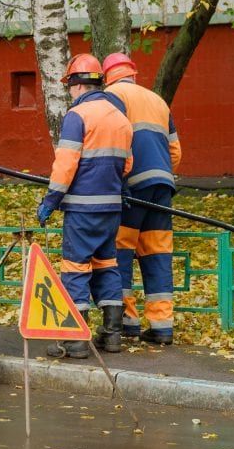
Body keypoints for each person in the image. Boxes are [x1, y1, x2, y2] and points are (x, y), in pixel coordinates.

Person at [37, 54, 133, 358]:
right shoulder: (120, 117)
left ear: (76, 85)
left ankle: (76, 341)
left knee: (75, 269)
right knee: (107, 265)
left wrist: (50, 200)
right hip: (111, 208)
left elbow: (65, 164)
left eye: (70, 87)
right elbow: (127, 164)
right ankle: (112, 335)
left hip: (81, 209)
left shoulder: (77, 116)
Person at [102, 53, 182, 345]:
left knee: (120, 251)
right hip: (162, 184)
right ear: (133, 74)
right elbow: (176, 152)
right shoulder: (158, 101)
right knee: (158, 253)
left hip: (131, 186)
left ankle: (127, 321)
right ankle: (162, 326)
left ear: (107, 76)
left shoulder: (111, 96)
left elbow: (112, 140)